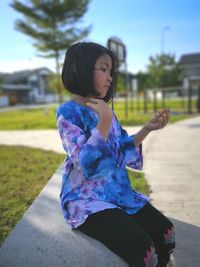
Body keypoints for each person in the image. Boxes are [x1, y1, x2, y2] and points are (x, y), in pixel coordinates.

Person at [56, 42, 175, 267]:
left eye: (110, 71)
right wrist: (104, 120)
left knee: (165, 233)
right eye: (103, 69)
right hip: (86, 200)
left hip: (117, 194)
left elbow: (122, 150)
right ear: (79, 69)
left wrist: (146, 129)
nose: (109, 77)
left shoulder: (106, 113)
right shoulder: (68, 113)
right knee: (144, 251)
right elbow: (87, 163)